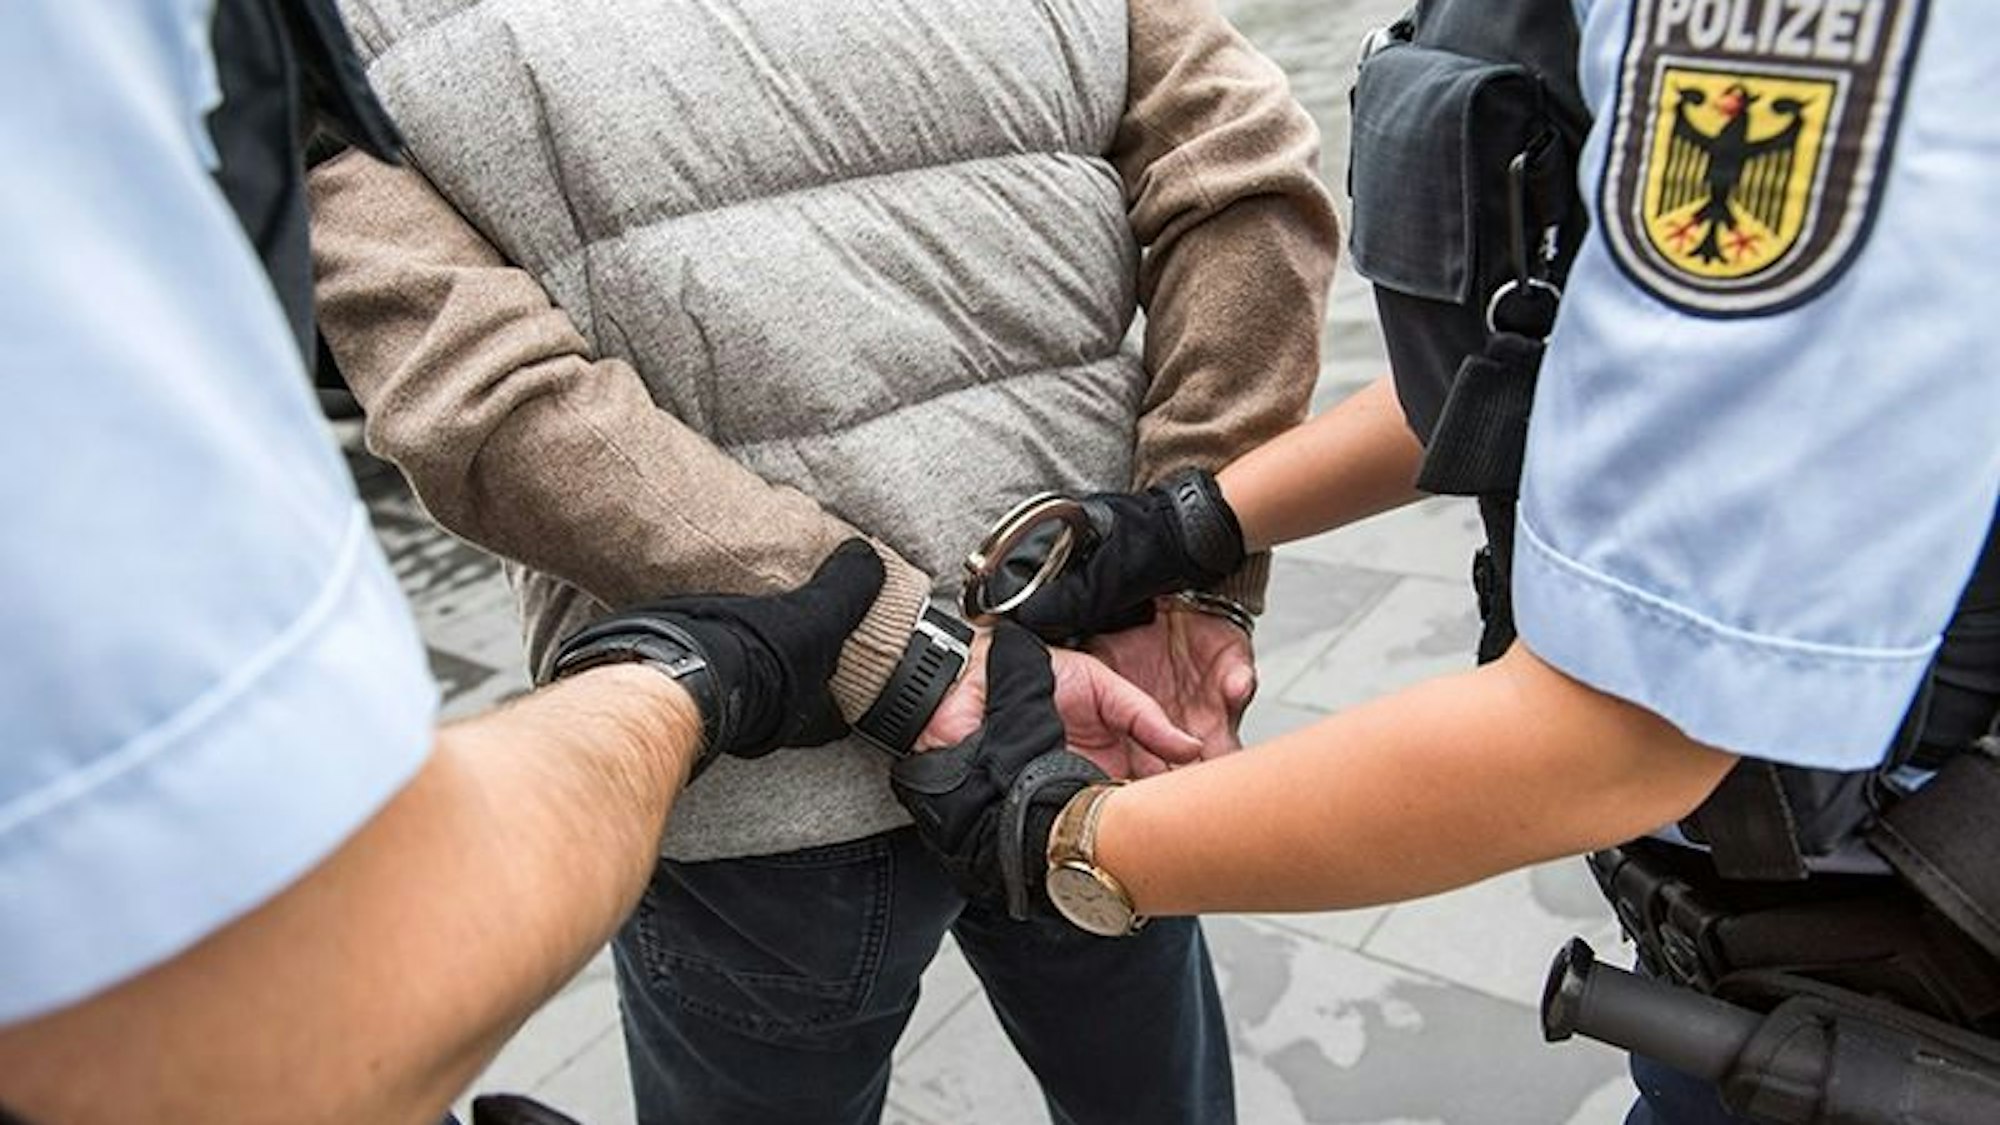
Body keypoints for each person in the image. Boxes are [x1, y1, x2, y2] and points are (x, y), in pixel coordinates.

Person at [0, 4, 1127, 1123]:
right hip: (1092, 681)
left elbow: (467, 373)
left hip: (793, 786)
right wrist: (1182, 569)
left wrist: (777, 663)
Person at [887, 1, 2000, 1122]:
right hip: (1771, 966)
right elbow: (1565, 379)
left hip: (1901, 980)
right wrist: (1188, 524)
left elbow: (1622, 734)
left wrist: (1068, 840)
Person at [306, 0, 1339, 1120]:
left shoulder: (310, 28)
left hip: (756, 767)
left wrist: (904, 651)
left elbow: (482, 393)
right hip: (1098, 682)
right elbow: (1244, 171)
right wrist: (1173, 557)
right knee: (1151, 1090)